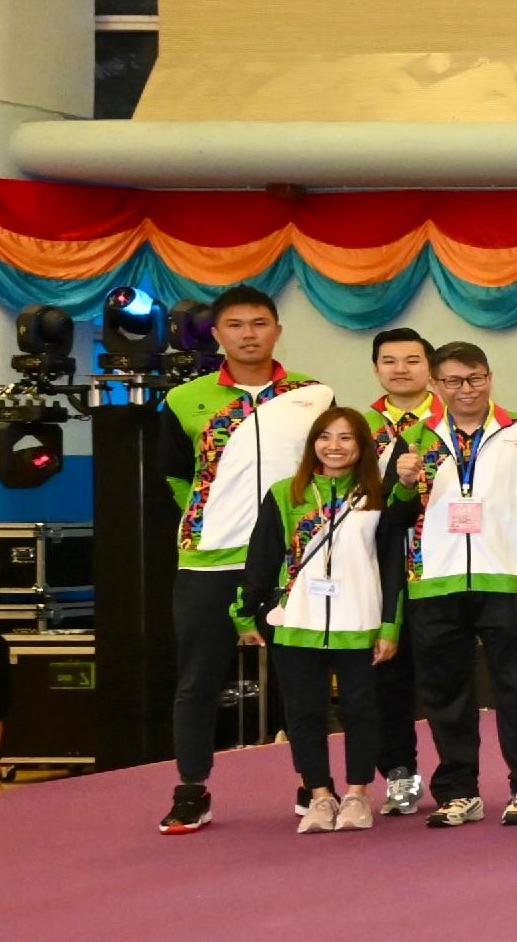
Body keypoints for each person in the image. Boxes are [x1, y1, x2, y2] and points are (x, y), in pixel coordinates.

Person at [157, 285, 335, 834]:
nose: (248, 334)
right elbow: (174, 476)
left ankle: (315, 785)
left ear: (277, 329)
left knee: (300, 680)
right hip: (210, 560)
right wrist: (209, 519)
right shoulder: (185, 400)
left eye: (260, 323)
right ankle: (191, 789)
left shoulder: (315, 395)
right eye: (236, 325)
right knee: (197, 680)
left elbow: (333, 464)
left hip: (292, 563)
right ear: (217, 334)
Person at [389, 341, 517, 828]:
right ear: (435, 386)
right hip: (434, 584)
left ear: (489, 377)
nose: (467, 390)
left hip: (505, 580)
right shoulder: (415, 438)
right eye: (454, 381)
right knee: (445, 693)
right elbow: (393, 517)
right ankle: (458, 791)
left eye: (476, 378)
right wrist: (403, 484)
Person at [242, 406, 413, 833]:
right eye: (325, 437)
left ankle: (357, 794)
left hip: (361, 624)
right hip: (295, 622)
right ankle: (319, 795)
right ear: (313, 443)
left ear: (362, 447)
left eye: (346, 438)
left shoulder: (378, 496)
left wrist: (390, 627)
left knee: (361, 710)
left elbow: (393, 566)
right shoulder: (287, 492)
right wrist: (246, 614)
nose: (334, 447)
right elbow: (261, 557)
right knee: (303, 713)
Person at [360, 326, 437, 816]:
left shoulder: (456, 422)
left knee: (443, 673)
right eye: (390, 361)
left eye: (412, 360)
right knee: (386, 673)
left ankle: (459, 778)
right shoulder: (355, 426)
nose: (401, 369)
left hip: (441, 561)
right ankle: (399, 772)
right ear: (376, 369)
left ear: (429, 367)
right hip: (374, 562)